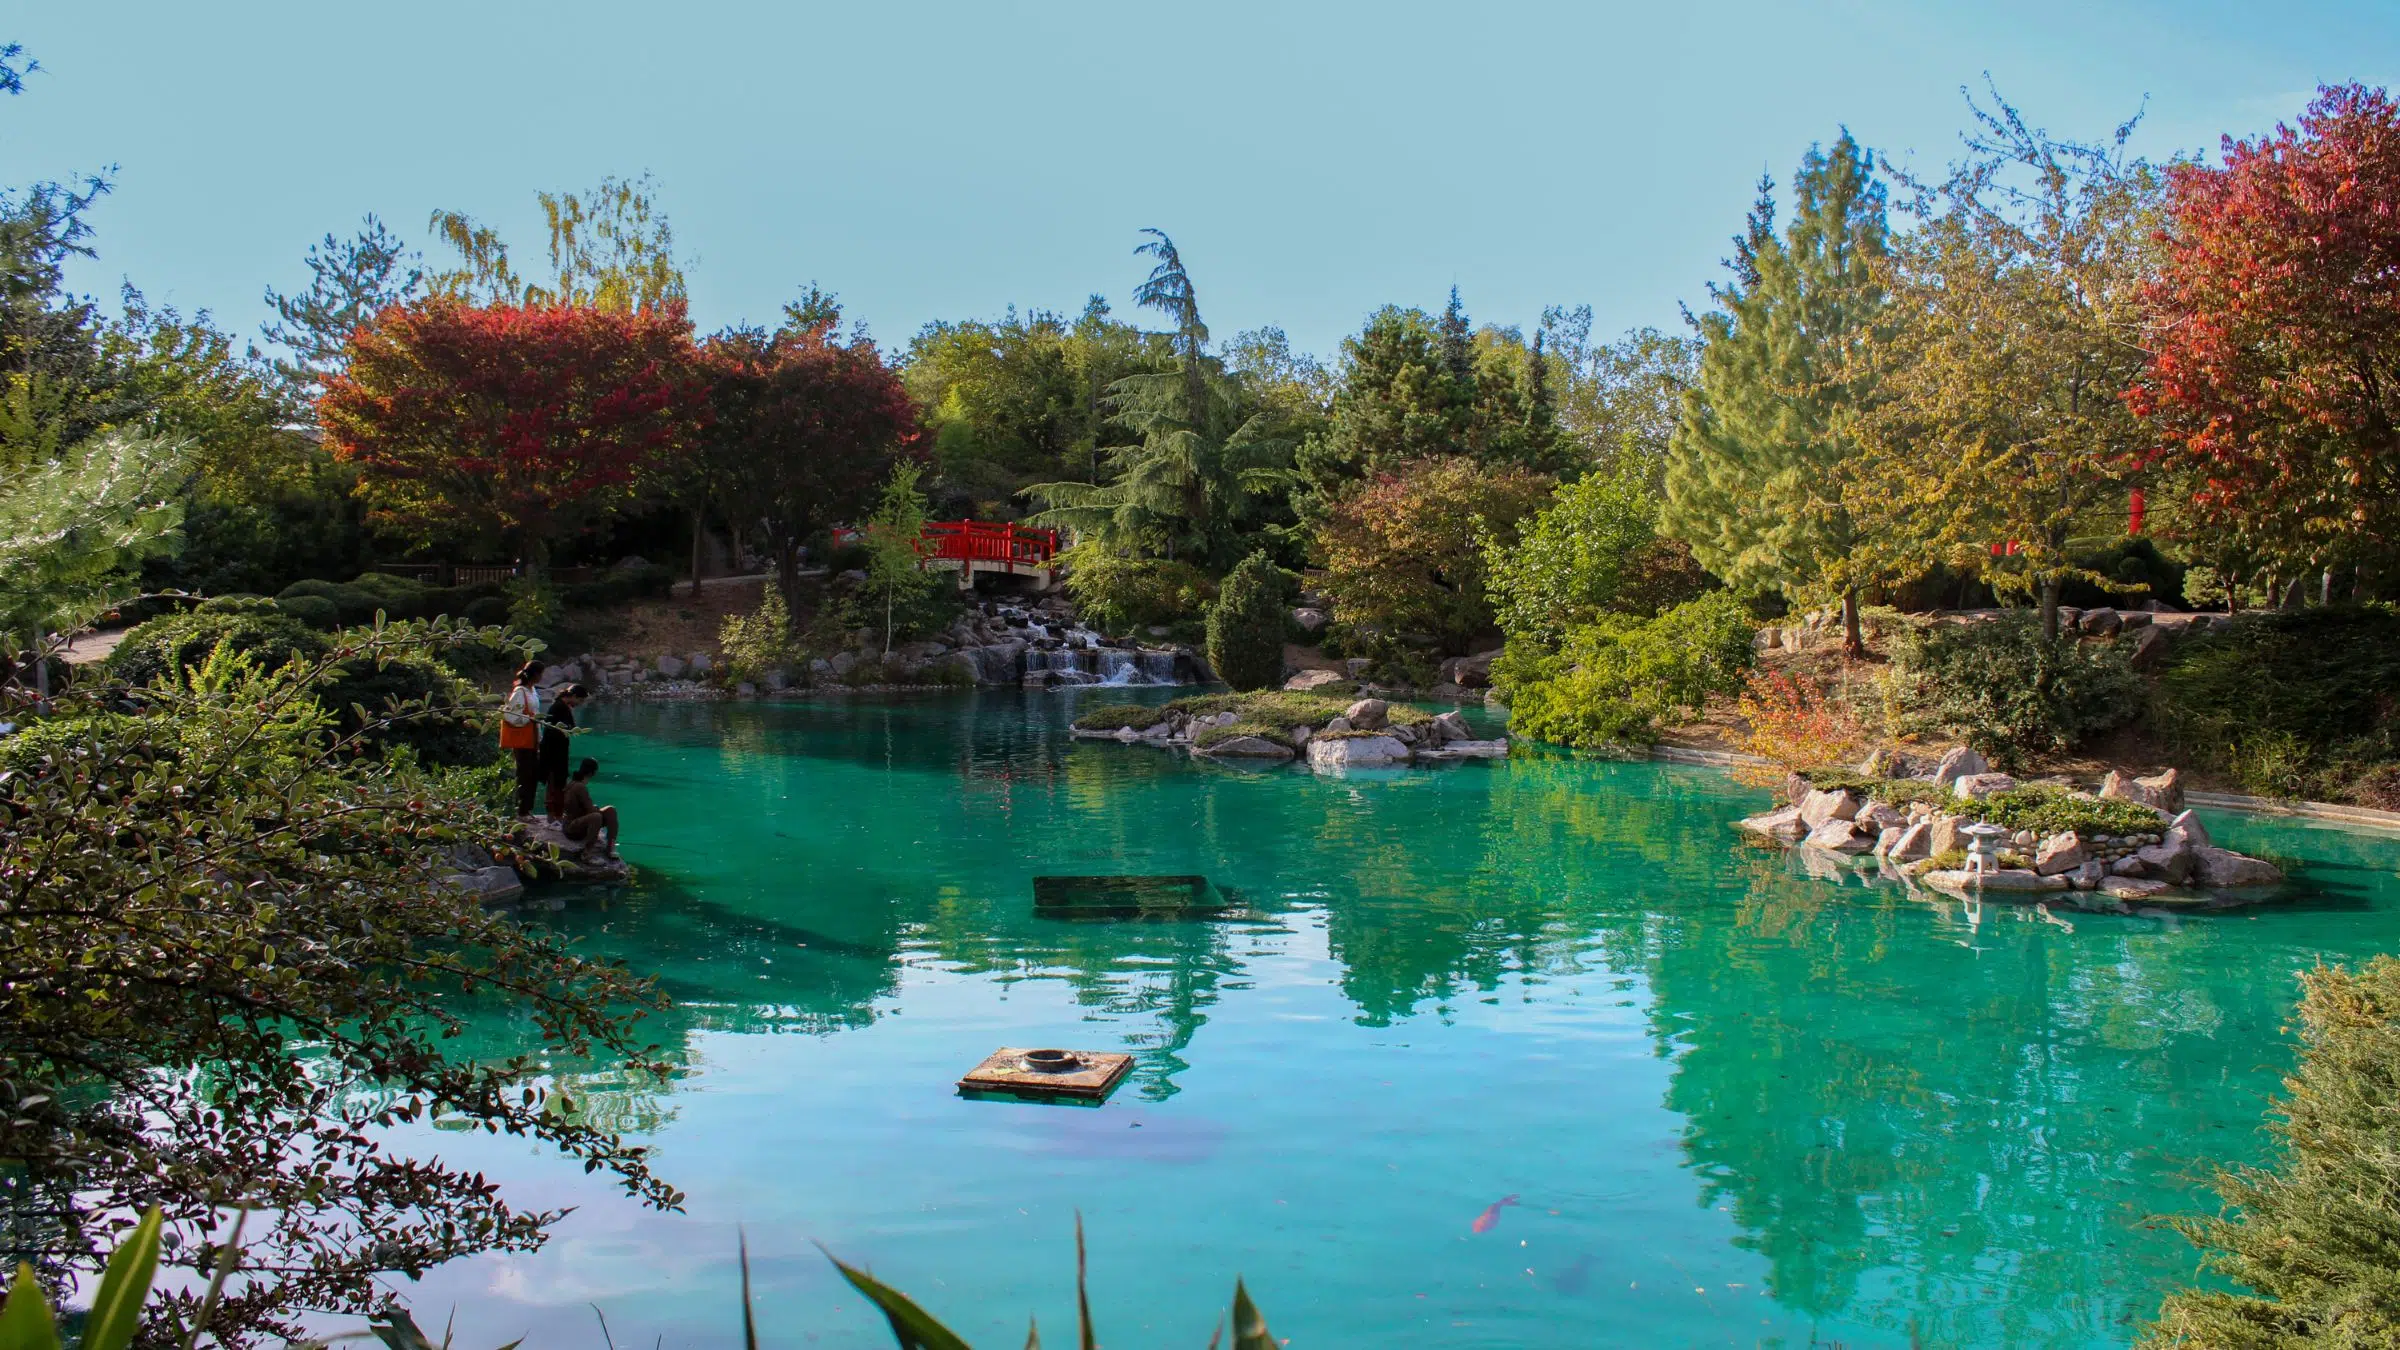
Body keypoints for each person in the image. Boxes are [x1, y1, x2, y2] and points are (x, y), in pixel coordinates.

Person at [499, 661, 546, 818]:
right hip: (523, 740)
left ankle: (527, 809)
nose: (542, 677)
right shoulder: (519, 692)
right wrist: (529, 718)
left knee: (533, 774)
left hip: (533, 738)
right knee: (525, 774)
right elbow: (509, 715)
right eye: (540, 673)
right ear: (535, 674)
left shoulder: (532, 690)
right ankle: (522, 811)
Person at [540, 683, 587, 818]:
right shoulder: (559, 708)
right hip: (554, 753)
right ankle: (554, 816)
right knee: (555, 784)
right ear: (574, 696)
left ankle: (556, 814)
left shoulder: (561, 707)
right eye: (580, 700)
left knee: (557, 783)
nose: (579, 704)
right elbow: (554, 731)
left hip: (557, 751)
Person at [559, 757, 619, 860]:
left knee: (610, 810)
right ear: (592, 773)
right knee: (596, 817)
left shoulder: (573, 783)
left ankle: (610, 847)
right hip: (571, 829)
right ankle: (587, 852)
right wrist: (595, 808)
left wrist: (594, 808)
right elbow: (590, 810)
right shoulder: (580, 787)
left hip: (577, 822)